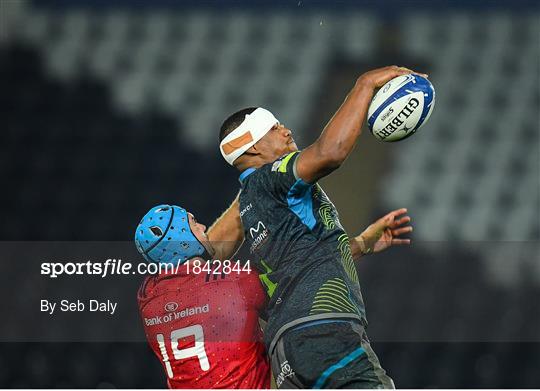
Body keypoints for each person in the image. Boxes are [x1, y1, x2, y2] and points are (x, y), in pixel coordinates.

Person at [218, 65, 423, 388]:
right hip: (325, 332)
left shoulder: (249, 204)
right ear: (253, 147)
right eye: (273, 128)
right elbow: (331, 152)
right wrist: (364, 85)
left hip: (286, 355)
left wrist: (360, 244)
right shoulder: (276, 176)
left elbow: (298, 261)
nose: (286, 131)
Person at [134, 201, 412, 388]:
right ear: (181, 236)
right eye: (193, 223)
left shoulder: (148, 299)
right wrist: (362, 244)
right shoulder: (233, 281)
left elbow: (193, 275)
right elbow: (304, 275)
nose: (203, 227)